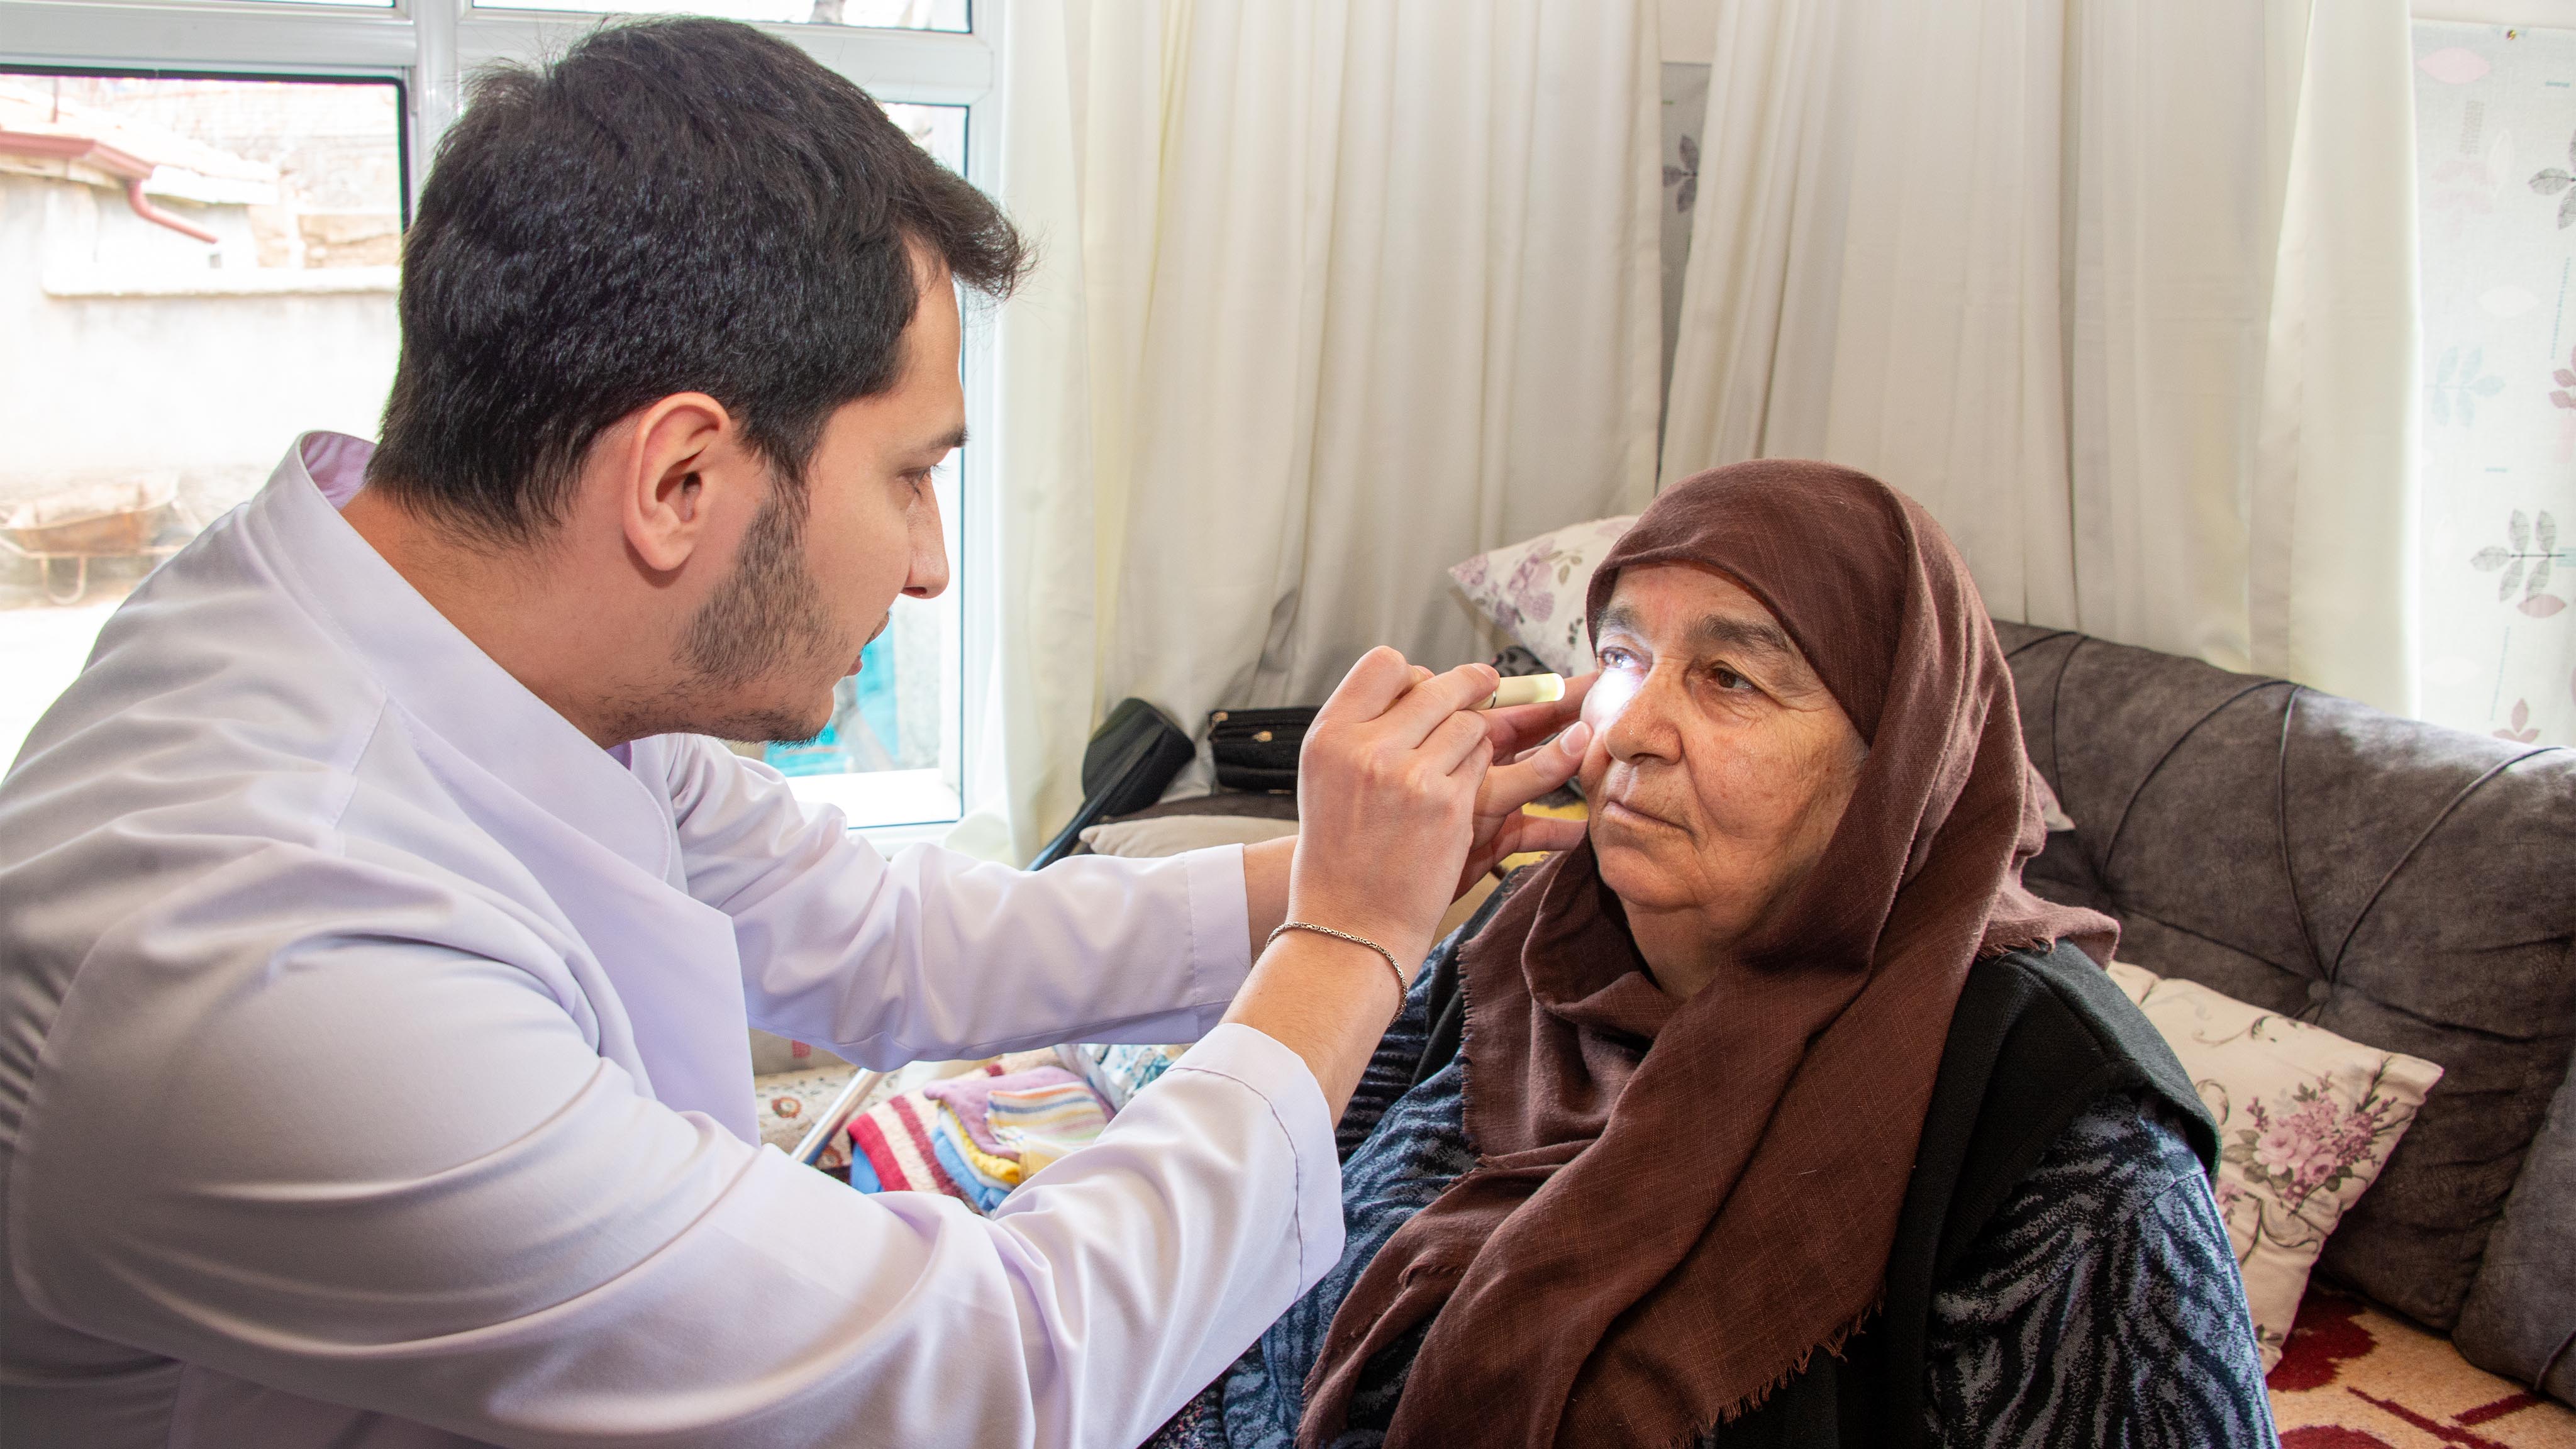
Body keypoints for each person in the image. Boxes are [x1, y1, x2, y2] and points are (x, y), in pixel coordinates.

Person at [0, 20, 1594, 1448]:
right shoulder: (260, 951)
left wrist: (1354, 858)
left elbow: (892, 935)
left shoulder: (497, 654)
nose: (927, 562)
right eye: (909, 474)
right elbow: (1001, 1371)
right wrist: (1345, 941)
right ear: (682, 479)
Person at [1155, 460, 2279, 1449]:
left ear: (1894, 765)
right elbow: (1255, 1205)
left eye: (1730, 680)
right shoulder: (1532, 945)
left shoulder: (2054, 1129)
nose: (1633, 728)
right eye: (1625, 656)